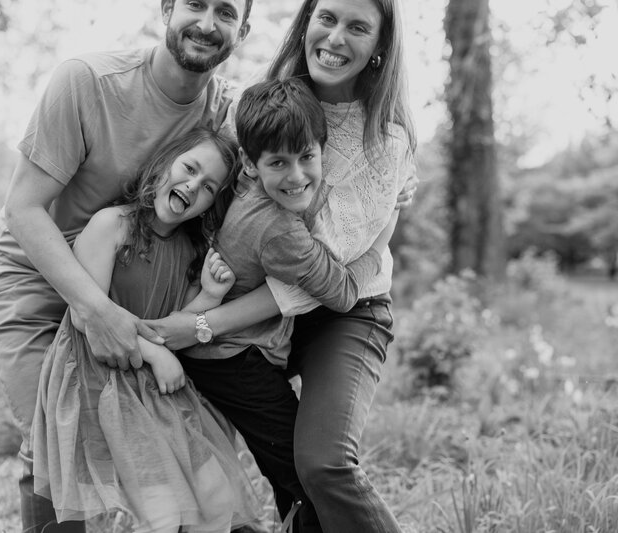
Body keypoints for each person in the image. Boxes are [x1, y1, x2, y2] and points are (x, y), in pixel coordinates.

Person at [0, 1, 252, 530]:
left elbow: (291, 146)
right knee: (56, 437)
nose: (207, 22)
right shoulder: (86, 83)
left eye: (226, 11)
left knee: (168, 439)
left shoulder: (225, 116)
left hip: (139, 286)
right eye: (195, 3)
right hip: (36, 273)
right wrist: (94, 310)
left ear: (243, 29)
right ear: (167, 8)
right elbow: (23, 209)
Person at [144, 0, 417, 531]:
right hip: (255, 314)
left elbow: (326, 280)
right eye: (327, 18)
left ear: (381, 45)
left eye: (358, 27)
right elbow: (214, 178)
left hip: (345, 309)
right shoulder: (269, 101)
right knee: (271, 464)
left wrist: (199, 324)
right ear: (306, 22)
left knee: (321, 463)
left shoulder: (385, 139)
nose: (336, 38)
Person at [177, 77, 398, 532]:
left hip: (236, 351)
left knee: (290, 473)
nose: (297, 176)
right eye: (279, 162)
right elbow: (339, 293)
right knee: (299, 476)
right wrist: (383, 229)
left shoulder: (247, 186)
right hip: (234, 360)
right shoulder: (281, 232)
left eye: (307, 157)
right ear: (251, 164)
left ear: (323, 152)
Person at [32, 127, 266, 532]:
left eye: (208, 187)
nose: (193, 186)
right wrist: (157, 354)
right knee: (161, 514)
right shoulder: (112, 226)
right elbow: (88, 318)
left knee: (216, 497)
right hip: (102, 381)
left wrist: (208, 298)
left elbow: (170, 329)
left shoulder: (189, 249)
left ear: (211, 203)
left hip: (156, 389)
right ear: (162, 165)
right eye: (189, 168)